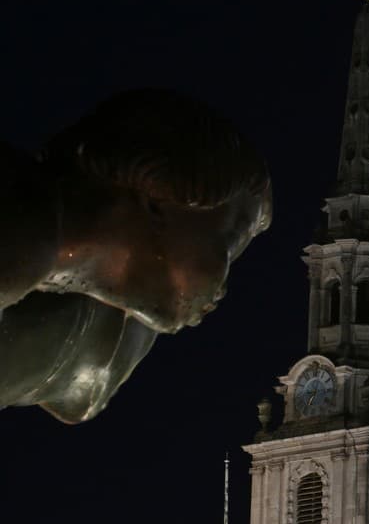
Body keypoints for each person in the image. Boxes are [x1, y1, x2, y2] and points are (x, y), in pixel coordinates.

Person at [0, 90, 271, 421]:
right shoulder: (20, 226)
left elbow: (83, 396)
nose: (223, 286)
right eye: (228, 241)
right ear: (159, 198)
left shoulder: (96, 321)